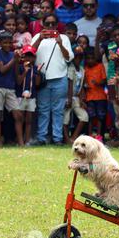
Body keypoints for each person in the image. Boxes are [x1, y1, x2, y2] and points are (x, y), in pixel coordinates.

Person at [31, 13, 74, 145]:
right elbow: (30, 53)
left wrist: (60, 44)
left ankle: (57, 138)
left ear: (57, 25)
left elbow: (69, 58)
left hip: (60, 77)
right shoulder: (37, 37)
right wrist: (40, 39)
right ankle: (42, 137)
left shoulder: (64, 38)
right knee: (43, 109)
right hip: (43, 79)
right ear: (42, 24)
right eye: (47, 23)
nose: (50, 26)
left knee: (58, 110)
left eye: (53, 24)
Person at [0, 32, 24, 147]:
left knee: (18, 115)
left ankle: (21, 143)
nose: (8, 45)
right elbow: (2, 70)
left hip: (10, 88)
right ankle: (0, 143)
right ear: (0, 43)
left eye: (10, 42)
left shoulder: (12, 55)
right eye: (5, 42)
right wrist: (14, 60)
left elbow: (15, 74)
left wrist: (17, 62)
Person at [15, 45, 42, 146]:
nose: (28, 59)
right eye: (26, 56)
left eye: (31, 56)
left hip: (31, 97)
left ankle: (27, 141)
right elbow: (18, 81)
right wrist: (25, 71)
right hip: (20, 96)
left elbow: (37, 84)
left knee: (29, 120)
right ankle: (20, 141)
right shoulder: (20, 67)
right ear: (23, 57)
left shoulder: (35, 69)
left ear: (34, 58)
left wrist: (38, 73)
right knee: (19, 119)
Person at [64, 46, 88, 144]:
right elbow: (69, 84)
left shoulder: (82, 70)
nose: (78, 58)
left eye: (80, 56)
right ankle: (66, 138)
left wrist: (82, 100)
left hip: (76, 97)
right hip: (68, 96)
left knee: (84, 116)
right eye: (77, 56)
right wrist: (69, 99)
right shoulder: (70, 68)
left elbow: (82, 86)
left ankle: (73, 138)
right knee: (65, 119)